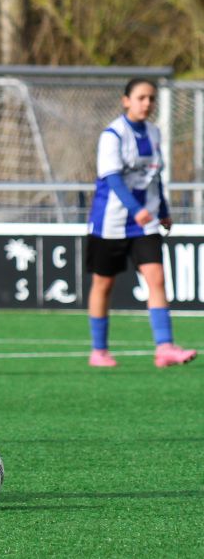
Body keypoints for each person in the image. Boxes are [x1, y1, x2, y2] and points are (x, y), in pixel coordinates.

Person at [86, 78, 196, 369]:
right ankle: (99, 351)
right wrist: (135, 209)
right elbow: (112, 179)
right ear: (126, 101)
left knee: (156, 278)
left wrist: (164, 210)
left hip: (145, 223)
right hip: (110, 222)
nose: (147, 103)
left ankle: (165, 347)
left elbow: (154, 176)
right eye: (141, 98)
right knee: (103, 283)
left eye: (151, 98)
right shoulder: (112, 135)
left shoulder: (154, 132)